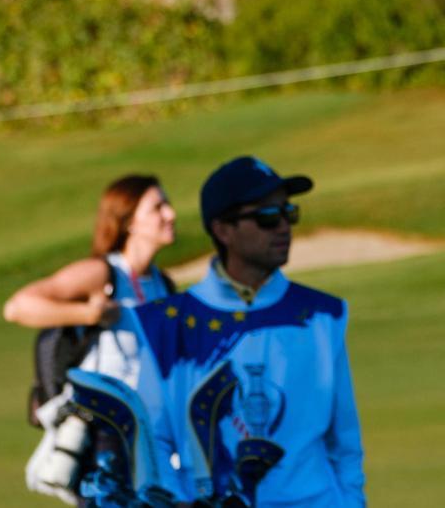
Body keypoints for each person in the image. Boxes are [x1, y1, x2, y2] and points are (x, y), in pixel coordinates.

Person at [131, 156, 365, 507]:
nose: (284, 227)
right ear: (223, 230)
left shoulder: (323, 315)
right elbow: (153, 441)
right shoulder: (166, 323)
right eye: (267, 217)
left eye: (289, 213)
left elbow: (344, 442)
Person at [3, 174, 177, 502]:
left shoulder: (162, 284)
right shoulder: (103, 273)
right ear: (129, 222)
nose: (171, 214)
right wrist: (89, 314)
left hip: (150, 437)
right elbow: (18, 307)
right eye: (158, 207)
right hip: (103, 435)